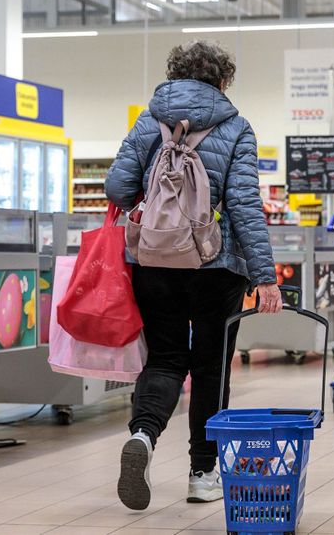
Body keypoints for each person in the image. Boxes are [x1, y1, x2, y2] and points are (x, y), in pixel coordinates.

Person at [105, 40, 282, 511]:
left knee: (163, 360)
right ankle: (203, 474)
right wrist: (265, 277)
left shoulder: (149, 120)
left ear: (175, 75)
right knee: (209, 369)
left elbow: (118, 186)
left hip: (154, 260)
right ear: (222, 81)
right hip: (215, 266)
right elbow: (244, 206)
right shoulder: (237, 127)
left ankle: (142, 436)